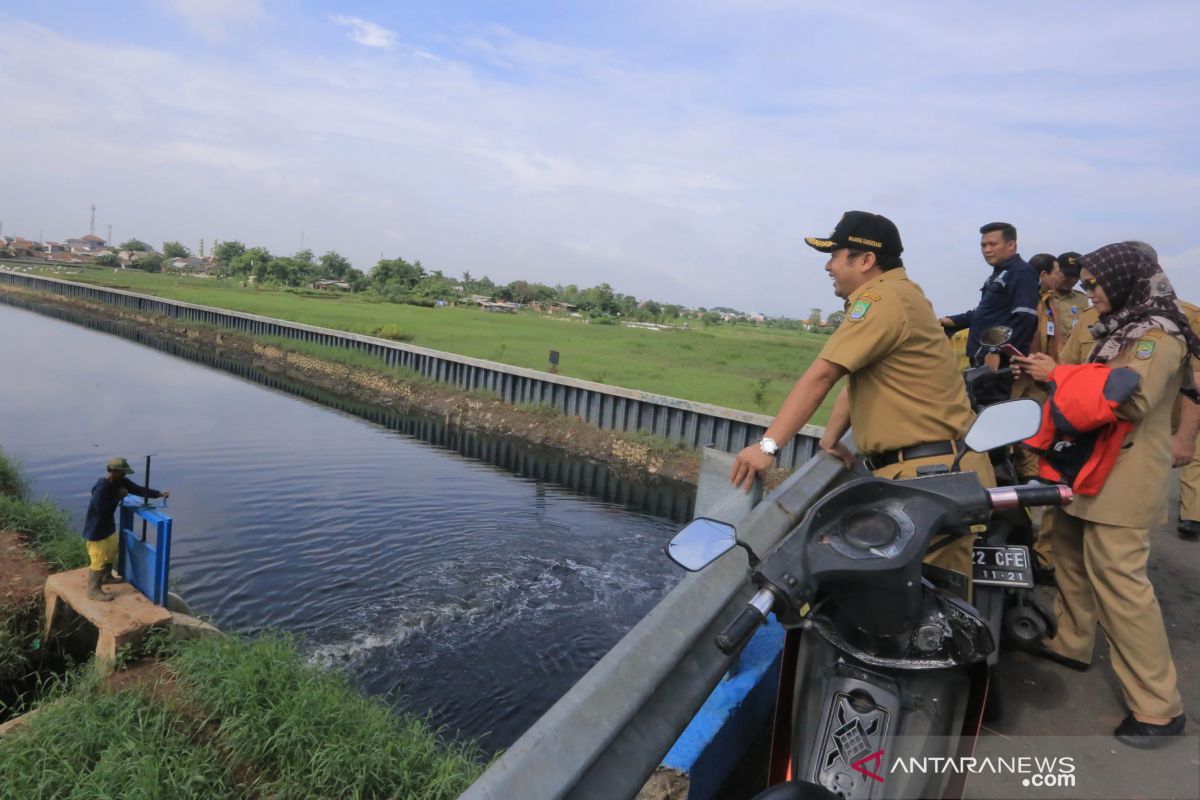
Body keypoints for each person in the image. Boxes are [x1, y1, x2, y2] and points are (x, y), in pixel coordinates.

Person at [731, 210, 994, 582]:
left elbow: (823, 375)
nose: (828, 266)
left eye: (836, 255)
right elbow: (862, 373)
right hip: (935, 473)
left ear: (866, 260)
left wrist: (768, 447)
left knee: (923, 621)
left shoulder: (881, 299)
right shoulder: (901, 294)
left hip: (930, 477)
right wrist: (831, 436)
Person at [1011, 243, 1198, 747]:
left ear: (1123, 280)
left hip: (1126, 472)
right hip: (1090, 464)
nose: (1089, 293)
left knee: (1121, 585)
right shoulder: (1115, 327)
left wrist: (1059, 376)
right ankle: (1072, 641)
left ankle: (1158, 707)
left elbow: (1131, 400)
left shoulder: (1156, 335)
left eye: (1094, 285)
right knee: (1069, 555)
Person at [939, 222, 1039, 368]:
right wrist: (950, 321)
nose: (987, 250)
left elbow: (1024, 317)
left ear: (1011, 245)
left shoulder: (1021, 272)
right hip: (981, 357)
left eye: (992, 244)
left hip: (998, 362)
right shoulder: (999, 273)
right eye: (983, 245)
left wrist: (997, 351)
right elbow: (986, 313)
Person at [81, 457, 169, 602]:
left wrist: (159, 494)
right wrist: (118, 496)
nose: (125, 475)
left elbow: (139, 489)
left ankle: (106, 577)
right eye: (123, 472)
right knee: (97, 558)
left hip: (107, 527)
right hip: (96, 530)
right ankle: (93, 590)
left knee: (112, 550)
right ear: (114, 472)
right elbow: (101, 509)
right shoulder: (103, 486)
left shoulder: (120, 481)